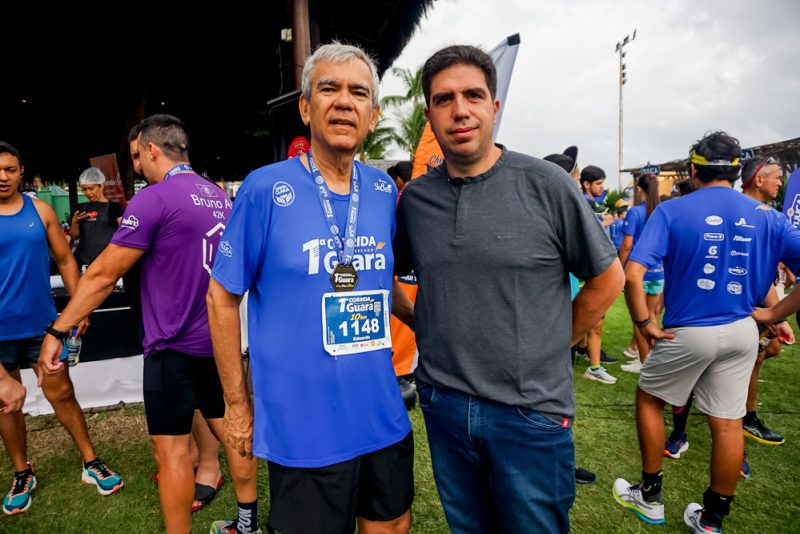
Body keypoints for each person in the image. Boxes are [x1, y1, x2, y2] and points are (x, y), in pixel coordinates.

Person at [394, 44, 624, 533]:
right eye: (444, 99)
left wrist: (553, 343)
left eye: (473, 96)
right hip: (445, 406)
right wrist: (424, 324)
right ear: (429, 116)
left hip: (529, 412)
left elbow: (608, 278)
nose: (460, 110)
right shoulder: (416, 200)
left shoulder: (547, 184)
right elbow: (387, 274)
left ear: (494, 107)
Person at [208, 42, 414, 534]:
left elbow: (380, 280)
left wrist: (426, 323)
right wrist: (237, 403)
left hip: (381, 412)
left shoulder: (383, 190)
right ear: (305, 108)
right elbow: (221, 297)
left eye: (358, 92)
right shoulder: (265, 188)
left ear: (373, 114)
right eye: (329, 88)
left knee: (391, 525)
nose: (344, 101)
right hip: (305, 425)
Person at [38, 115, 257, 534]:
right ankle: (248, 523)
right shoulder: (219, 196)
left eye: (137, 156)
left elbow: (103, 275)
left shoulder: (155, 198)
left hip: (170, 347)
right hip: (219, 343)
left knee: (171, 453)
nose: (136, 164)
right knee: (234, 432)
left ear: (153, 149)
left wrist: (58, 329)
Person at [612, 131, 800, 533]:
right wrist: (774, 312)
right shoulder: (768, 216)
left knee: (650, 401)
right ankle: (712, 520)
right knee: (729, 423)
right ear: (736, 172)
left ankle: (649, 496)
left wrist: (644, 323)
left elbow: (632, 274)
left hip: (688, 330)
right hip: (742, 331)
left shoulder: (672, 210)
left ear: (693, 169)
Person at [0, 141, 123, 515]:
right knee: (7, 405)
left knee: (62, 393)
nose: (2, 176)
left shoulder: (40, 211)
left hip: (43, 327)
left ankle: (90, 461)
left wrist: (76, 307)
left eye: (9, 169)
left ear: (21, 172)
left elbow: (67, 260)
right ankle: (22, 472)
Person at [739, 155, 793, 445]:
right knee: (750, 357)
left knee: (765, 352)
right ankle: (744, 419)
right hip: (740, 311)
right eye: (777, 176)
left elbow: (764, 273)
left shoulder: (769, 217)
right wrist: (773, 314)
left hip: (755, 306)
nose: (780, 182)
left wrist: (777, 315)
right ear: (758, 179)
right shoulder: (762, 218)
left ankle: (745, 416)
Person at [619, 173, 663, 374]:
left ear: (639, 189)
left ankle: (645, 363)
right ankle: (651, 360)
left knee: (639, 319)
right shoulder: (661, 211)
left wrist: (621, 270)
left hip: (638, 273)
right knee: (651, 316)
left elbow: (626, 246)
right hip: (658, 272)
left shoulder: (635, 212)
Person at [578, 165, 619, 380]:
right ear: (587, 184)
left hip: (593, 270)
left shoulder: (594, 204)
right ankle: (593, 367)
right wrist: (605, 222)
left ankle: (584, 352)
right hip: (590, 272)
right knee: (595, 322)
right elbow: (585, 236)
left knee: (591, 322)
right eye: (599, 183)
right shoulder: (584, 204)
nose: (602, 187)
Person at [69, 167, 124, 269]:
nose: (88, 193)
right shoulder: (81, 208)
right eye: (84, 189)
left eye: (91, 189)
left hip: (106, 262)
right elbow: (74, 235)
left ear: (101, 186)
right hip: (82, 262)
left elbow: (124, 233)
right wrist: (75, 222)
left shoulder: (114, 207)